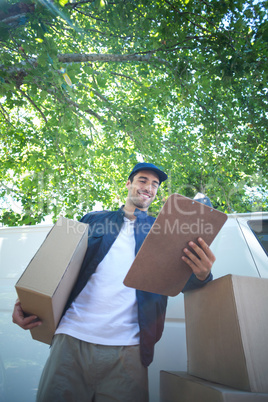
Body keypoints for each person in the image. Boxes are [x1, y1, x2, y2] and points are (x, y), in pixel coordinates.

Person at [12, 162, 215, 402]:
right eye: (142, 180)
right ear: (128, 184)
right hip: (71, 340)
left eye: (155, 184)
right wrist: (27, 302)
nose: (149, 187)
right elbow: (59, 265)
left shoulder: (163, 231)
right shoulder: (94, 219)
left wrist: (203, 274)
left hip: (129, 350)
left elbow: (185, 283)